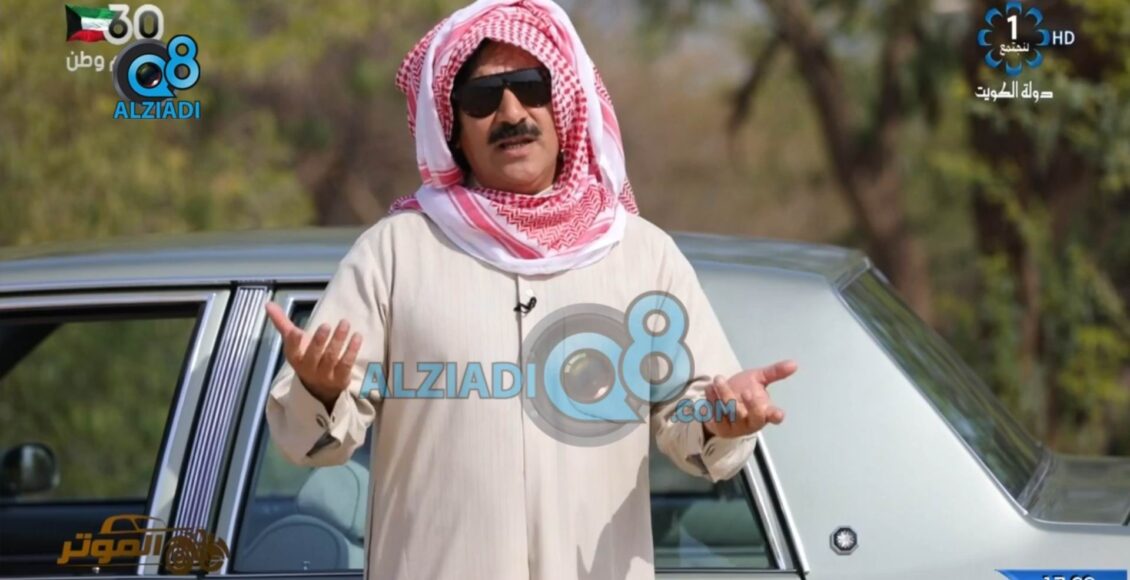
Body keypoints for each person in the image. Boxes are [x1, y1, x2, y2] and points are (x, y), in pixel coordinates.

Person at [264, 0, 796, 578]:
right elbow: (306, 441)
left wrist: (719, 422)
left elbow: (693, 419)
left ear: (563, 102)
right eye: (481, 98)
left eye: (530, 87)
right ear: (453, 127)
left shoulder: (642, 254)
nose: (511, 112)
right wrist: (320, 392)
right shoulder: (395, 253)